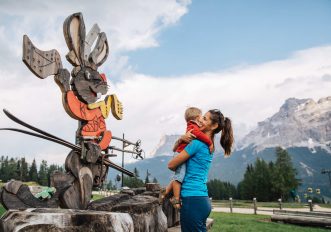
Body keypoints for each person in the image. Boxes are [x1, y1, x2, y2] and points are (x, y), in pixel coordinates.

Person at [168, 109, 234, 232]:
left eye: (205, 118)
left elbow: (171, 165)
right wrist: (181, 139)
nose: (200, 120)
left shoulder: (197, 144)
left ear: (214, 126)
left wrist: (182, 140)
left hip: (191, 200)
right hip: (202, 199)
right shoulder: (210, 146)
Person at [160, 107, 213, 209]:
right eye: (202, 117)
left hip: (181, 154)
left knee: (180, 176)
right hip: (180, 154)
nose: (202, 120)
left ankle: (165, 192)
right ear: (197, 117)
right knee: (179, 177)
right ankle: (175, 199)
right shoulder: (194, 128)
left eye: (205, 119)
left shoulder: (192, 127)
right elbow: (172, 160)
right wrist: (209, 143)